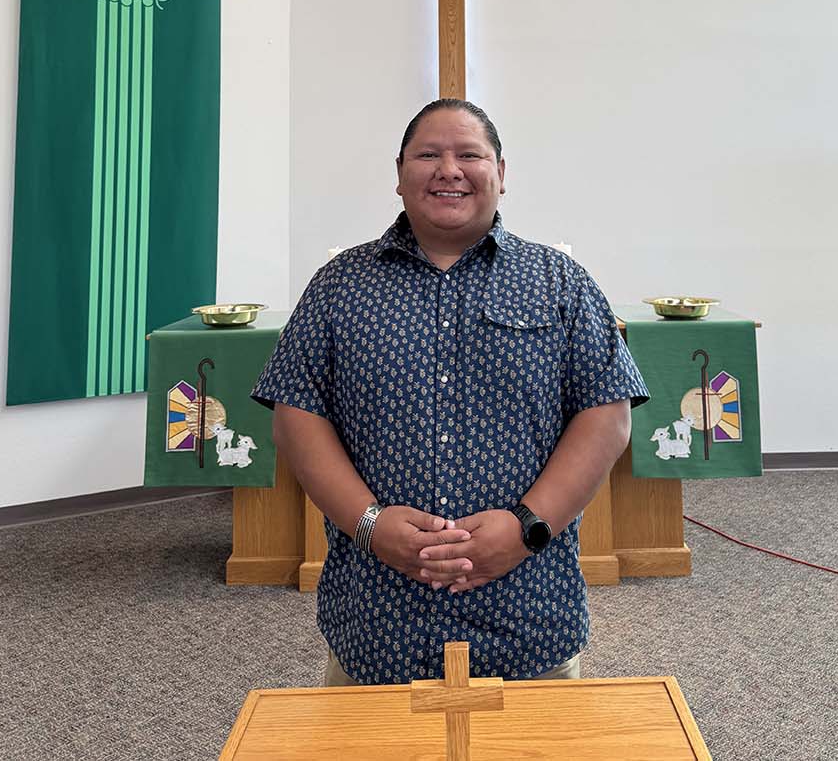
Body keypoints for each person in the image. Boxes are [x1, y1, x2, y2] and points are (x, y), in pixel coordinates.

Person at [251, 98, 648, 686]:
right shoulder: (340, 286)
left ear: (501, 173)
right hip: (378, 614)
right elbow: (297, 418)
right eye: (428, 154)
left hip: (526, 609)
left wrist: (525, 528)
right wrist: (370, 524)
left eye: (469, 154)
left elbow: (606, 417)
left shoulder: (558, 281)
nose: (448, 169)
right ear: (399, 173)